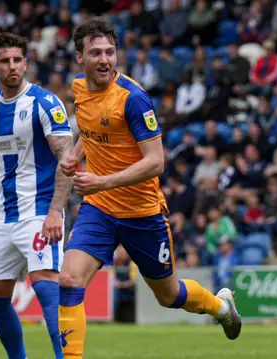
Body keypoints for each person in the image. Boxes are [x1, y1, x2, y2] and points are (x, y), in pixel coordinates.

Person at [55, 18, 241, 359]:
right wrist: (75, 153)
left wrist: (102, 181)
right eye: (95, 53)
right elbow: (89, 127)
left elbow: (156, 162)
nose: (104, 60)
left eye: (110, 52)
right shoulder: (79, 88)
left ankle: (221, 307)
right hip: (98, 209)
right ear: (79, 57)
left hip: (142, 213)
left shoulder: (134, 99)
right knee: (68, 280)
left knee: (168, 296)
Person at [0, 33, 73, 359]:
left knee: (47, 285)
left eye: (18, 60)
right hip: (6, 214)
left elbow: (67, 158)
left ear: (26, 62)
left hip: (40, 210)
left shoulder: (45, 102)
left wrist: (55, 211)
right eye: (5, 61)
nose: (12, 66)